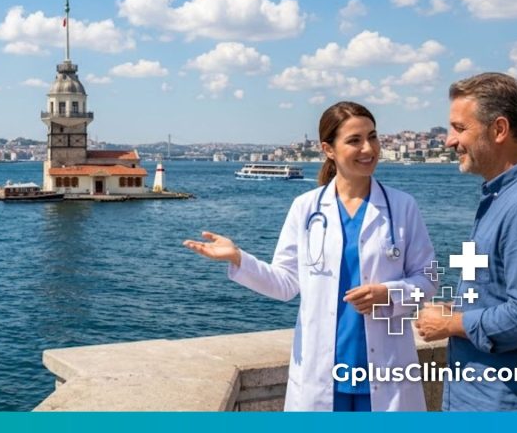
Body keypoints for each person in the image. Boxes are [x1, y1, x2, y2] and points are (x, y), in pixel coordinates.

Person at [184, 102, 436, 411]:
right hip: (322, 375)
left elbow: (428, 280)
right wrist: (238, 259)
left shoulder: (402, 206)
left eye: (373, 137)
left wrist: (389, 293)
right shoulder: (306, 208)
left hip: (387, 372)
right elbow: (286, 283)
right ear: (328, 149)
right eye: (354, 140)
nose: (368, 148)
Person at [415, 73, 517, 411]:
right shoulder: (505, 198)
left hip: (507, 403)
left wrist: (451, 323)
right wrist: (459, 312)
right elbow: (502, 293)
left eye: (459, 128)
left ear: (499, 129)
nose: (449, 141)